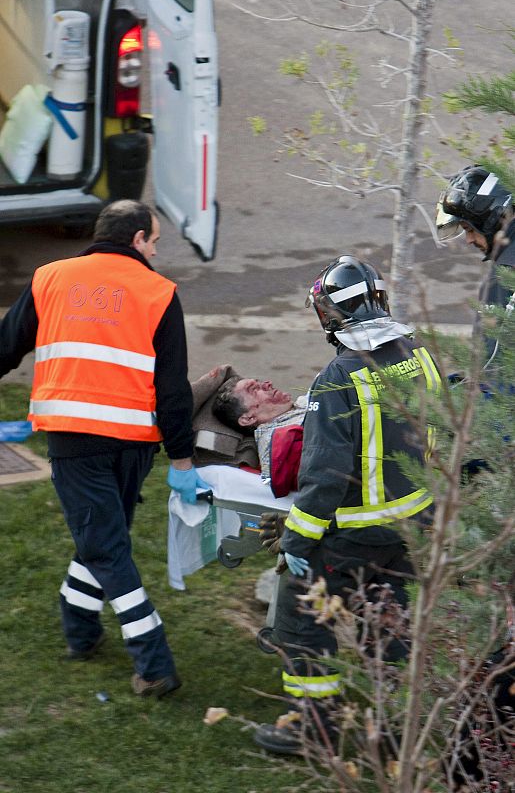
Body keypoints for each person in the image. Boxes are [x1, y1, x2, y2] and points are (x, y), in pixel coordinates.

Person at [0, 199, 208, 698]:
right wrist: (182, 460)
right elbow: (172, 389)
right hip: (133, 445)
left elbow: (5, 347)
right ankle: (80, 628)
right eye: (155, 241)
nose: (155, 251)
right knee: (105, 539)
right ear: (136, 239)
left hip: (75, 440)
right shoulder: (159, 293)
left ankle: (154, 664)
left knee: (106, 547)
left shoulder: (50, 278)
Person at [252, 256, 441, 755]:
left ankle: (313, 729)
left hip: (354, 534)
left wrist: (296, 541)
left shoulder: (339, 375)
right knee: (390, 623)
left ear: (331, 315)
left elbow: (324, 476)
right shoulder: (420, 355)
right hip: (413, 527)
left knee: (302, 614)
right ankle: (398, 732)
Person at [435, 166, 515, 362]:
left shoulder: (504, 278)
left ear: (491, 219)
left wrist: (473, 378)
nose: (469, 240)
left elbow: (493, 360)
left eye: (469, 229)